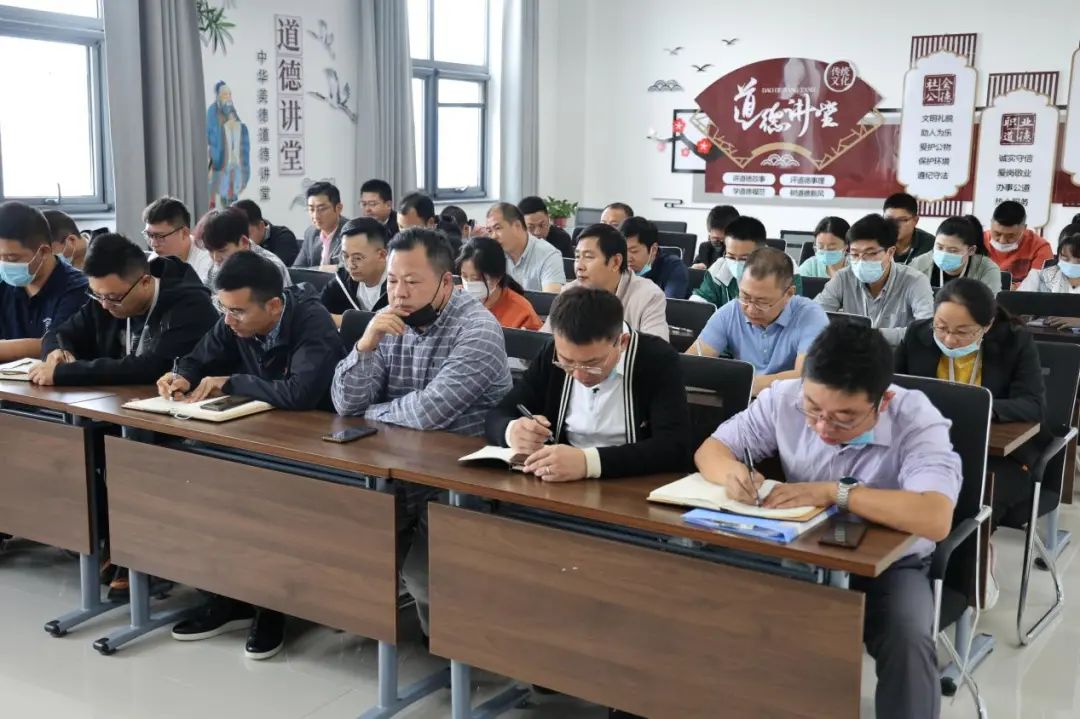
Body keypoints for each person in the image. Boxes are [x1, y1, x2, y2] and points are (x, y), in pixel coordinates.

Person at [696, 321, 961, 719]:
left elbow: (935, 516)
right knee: (710, 601)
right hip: (800, 547)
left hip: (890, 564)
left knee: (906, 637)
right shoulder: (785, 397)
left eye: (844, 418)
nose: (822, 427)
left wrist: (837, 493)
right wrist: (734, 474)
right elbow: (712, 450)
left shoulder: (917, 419)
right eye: (813, 410)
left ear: (882, 402)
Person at [156, 251, 345, 660]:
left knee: (256, 497)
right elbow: (200, 355)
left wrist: (232, 382)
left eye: (238, 311)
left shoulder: (310, 321)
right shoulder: (235, 317)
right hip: (252, 432)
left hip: (310, 442)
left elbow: (301, 393)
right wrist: (182, 375)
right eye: (223, 309)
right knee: (187, 476)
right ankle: (226, 597)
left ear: (273, 305)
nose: (228, 320)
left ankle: (270, 607)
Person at [330, 228, 512, 639]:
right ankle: (379, 623)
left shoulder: (477, 329)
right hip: (396, 467)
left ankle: (454, 651)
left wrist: (371, 414)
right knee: (342, 537)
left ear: (446, 282)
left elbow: (428, 412)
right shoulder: (389, 318)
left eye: (412, 282)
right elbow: (344, 404)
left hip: (461, 479)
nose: (399, 293)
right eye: (393, 281)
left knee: (424, 576)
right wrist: (366, 343)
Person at [895, 278, 1046, 607]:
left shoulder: (1015, 341)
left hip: (999, 455)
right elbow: (891, 388)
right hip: (927, 447)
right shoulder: (918, 334)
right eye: (941, 327)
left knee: (969, 496)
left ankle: (970, 566)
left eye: (963, 332)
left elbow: (1033, 404)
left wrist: (977, 407)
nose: (949, 339)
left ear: (987, 325)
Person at [487, 286, 693, 481]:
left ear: (622, 342)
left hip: (630, 483)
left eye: (592, 364)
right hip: (556, 479)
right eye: (567, 362)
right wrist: (512, 431)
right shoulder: (552, 353)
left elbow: (674, 446)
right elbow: (498, 414)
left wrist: (589, 462)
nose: (578, 374)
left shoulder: (657, 359)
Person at [31, 233, 218, 386]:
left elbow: (152, 368)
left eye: (113, 297)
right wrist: (56, 352)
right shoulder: (105, 295)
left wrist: (66, 373)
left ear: (145, 282)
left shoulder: (190, 304)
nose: (104, 305)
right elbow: (58, 333)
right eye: (97, 295)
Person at [689, 247, 829, 396]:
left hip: (791, 403)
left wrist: (740, 384)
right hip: (742, 400)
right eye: (745, 296)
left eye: (762, 302)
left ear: (789, 293)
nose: (750, 309)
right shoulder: (731, 311)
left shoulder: (811, 316)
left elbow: (807, 377)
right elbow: (691, 365)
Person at [815, 213, 934, 346]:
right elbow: (814, 316)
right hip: (851, 354)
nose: (861, 261)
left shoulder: (915, 281)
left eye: (870, 253)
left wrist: (871, 335)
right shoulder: (843, 278)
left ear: (890, 252)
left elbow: (926, 329)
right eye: (854, 254)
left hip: (896, 354)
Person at [547, 223, 669, 341]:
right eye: (578, 257)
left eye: (588, 257)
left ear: (616, 262)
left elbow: (658, 349)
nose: (579, 266)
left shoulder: (648, 296)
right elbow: (546, 340)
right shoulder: (568, 293)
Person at [0, 201, 88, 362]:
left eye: (11, 258)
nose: (4, 265)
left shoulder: (78, 289)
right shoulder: (4, 285)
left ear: (44, 252)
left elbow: (56, 345)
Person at [457, 236, 542, 330]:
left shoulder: (523, 313)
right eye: (464, 276)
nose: (468, 284)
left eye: (476, 278)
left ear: (497, 277)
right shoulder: (453, 298)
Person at [197, 208, 292, 291]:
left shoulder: (271, 269)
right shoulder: (215, 268)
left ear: (244, 242)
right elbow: (204, 298)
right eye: (210, 251)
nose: (216, 258)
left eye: (222, 250)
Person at [320, 217, 390, 325]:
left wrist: (347, 321)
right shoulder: (343, 280)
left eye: (357, 258)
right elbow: (315, 313)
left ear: (382, 255)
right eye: (345, 256)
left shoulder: (401, 284)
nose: (350, 265)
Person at [486, 202, 564, 292]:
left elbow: (550, 298)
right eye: (490, 231)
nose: (493, 236)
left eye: (498, 228)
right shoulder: (493, 254)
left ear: (517, 225)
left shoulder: (549, 255)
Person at [910, 215, 1001, 292]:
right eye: (939, 247)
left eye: (953, 250)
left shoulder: (987, 269)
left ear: (971, 250)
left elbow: (989, 305)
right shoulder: (919, 266)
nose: (944, 254)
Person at [691, 216, 767, 307]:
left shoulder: (776, 277)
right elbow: (700, 301)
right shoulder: (718, 270)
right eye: (731, 257)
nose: (737, 263)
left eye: (744, 259)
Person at [144, 196, 213, 284]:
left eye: (160, 236)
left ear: (184, 233)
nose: (153, 244)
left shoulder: (208, 264)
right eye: (149, 235)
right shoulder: (155, 259)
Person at [983, 200, 1053, 286]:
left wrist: (1013, 288)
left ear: (1024, 228)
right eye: (997, 234)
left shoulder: (1040, 247)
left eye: (1010, 236)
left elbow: (1040, 284)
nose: (1002, 241)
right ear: (991, 224)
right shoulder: (978, 241)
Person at [1018, 227, 1080, 323]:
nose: (1071, 264)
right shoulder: (1039, 277)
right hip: (1043, 329)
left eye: (1078, 261)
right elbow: (1017, 307)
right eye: (1065, 258)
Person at [623, 216, 690, 299]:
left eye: (634, 251)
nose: (627, 258)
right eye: (622, 251)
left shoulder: (673, 267)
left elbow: (669, 304)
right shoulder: (616, 265)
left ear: (653, 249)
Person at [295, 181, 348, 268]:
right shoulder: (311, 233)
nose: (315, 216)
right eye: (311, 209)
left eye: (322, 209)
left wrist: (318, 270)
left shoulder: (350, 233)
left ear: (338, 208)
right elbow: (297, 268)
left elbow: (346, 269)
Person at [232, 199, 300, 266]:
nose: (241, 241)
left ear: (261, 226)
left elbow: (275, 268)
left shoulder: (284, 237)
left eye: (246, 235)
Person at [882, 192, 934, 265]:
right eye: (889, 219)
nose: (894, 225)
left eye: (902, 220)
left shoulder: (931, 245)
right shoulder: (874, 241)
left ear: (915, 220)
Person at [692, 204, 739, 269]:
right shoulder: (705, 249)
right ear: (709, 234)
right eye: (716, 240)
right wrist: (694, 271)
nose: (722, 244)